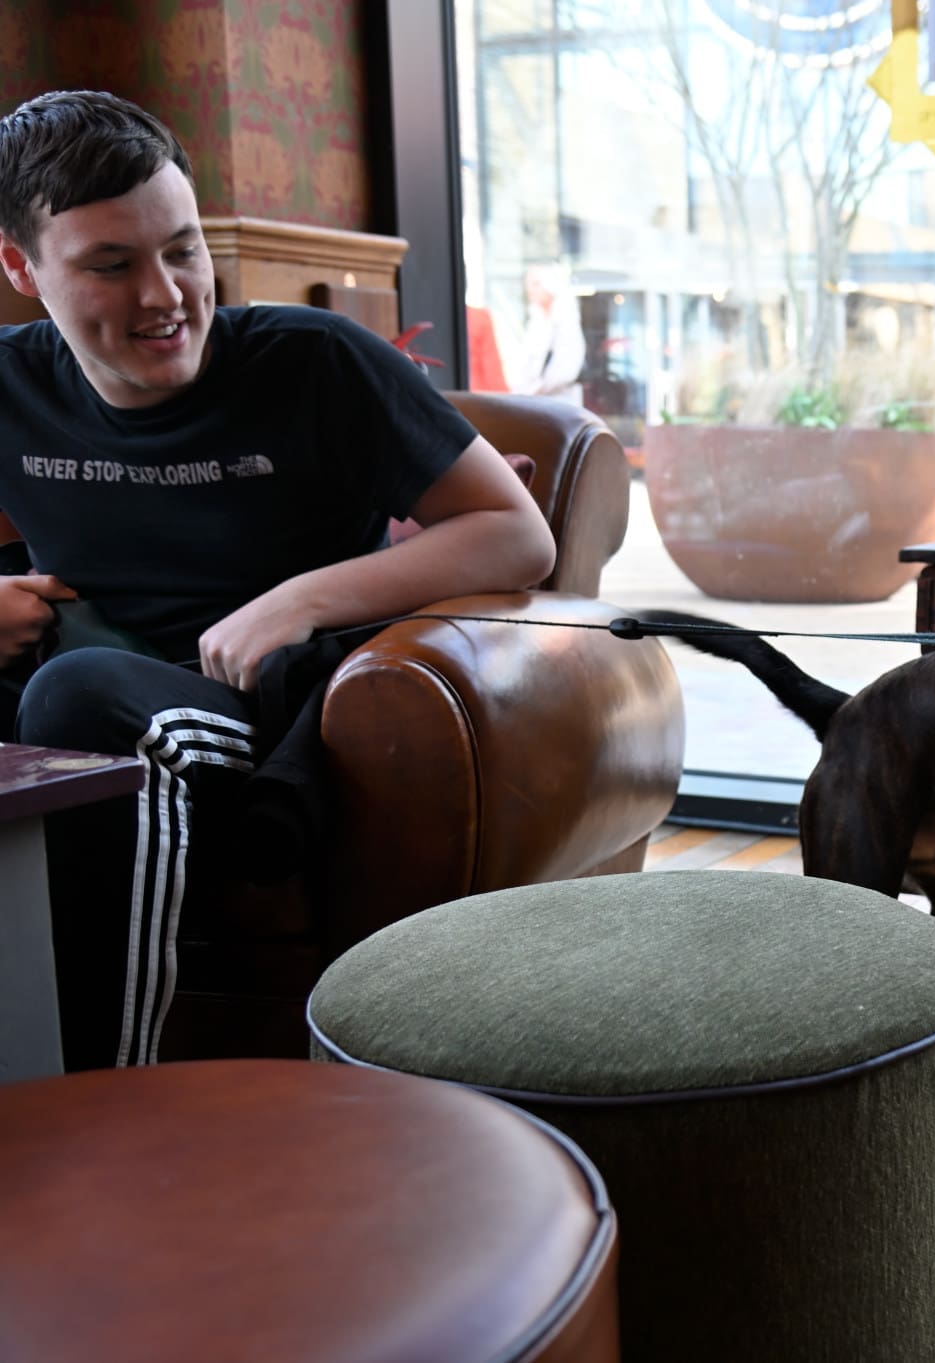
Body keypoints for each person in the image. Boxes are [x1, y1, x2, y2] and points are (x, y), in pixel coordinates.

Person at [0, 91, 557, 1070]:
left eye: (182, 249)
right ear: (19, 267)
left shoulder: (314, 364)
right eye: (112, 265)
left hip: (271, 718)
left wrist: (296, 599)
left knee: (81, 699)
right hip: (83, 684)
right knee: (68, 692)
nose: (165, 294)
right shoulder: (9, 383)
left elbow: (514, 535)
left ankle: (92, 1110)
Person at [510, 262, 586, 406]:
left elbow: (565, 371)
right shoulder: (535, 324)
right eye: (528, 284)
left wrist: (535, 388)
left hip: (559, 405)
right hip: (531, 403)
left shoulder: (565, 323)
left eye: (536, 284)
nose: (530, 290)